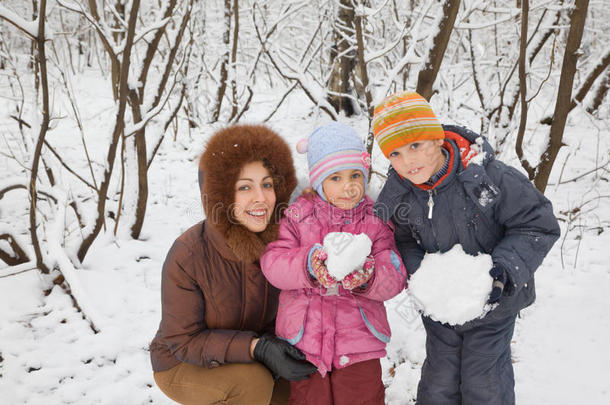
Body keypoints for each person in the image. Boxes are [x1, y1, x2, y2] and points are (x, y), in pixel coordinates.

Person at [372, 91, 561, 404]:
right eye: (395, 154)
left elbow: (537, 224)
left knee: (484, 382)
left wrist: (502, 271)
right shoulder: (400, 195)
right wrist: (420, 273)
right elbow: (403, 238)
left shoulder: (486, 178)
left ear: (436, 139)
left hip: (492, 303)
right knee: (438, 385)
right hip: (440, 307)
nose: (408, 161)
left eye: (415, 146)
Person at [149, 124, 317, 405]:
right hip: (182, 361)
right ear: (222, 196)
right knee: (252, 383)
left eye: (267, 184)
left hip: (256, 355)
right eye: (244, 187)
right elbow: (183, 340)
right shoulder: (188, 253)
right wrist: (256, 348)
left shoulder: (287, 241)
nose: (260, 198)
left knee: (305, 386)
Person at [260, 122, 408, 405]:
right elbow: (273, 262)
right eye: (335, 178)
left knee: (362, 397)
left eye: (355, 175)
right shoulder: (297, 218)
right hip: (305, 342)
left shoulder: (375, 220)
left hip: (359, 342)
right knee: (307, 400)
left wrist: (369, 276)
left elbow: (395, 272)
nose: (349, 186)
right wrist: (308, 266)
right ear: (318, 181)